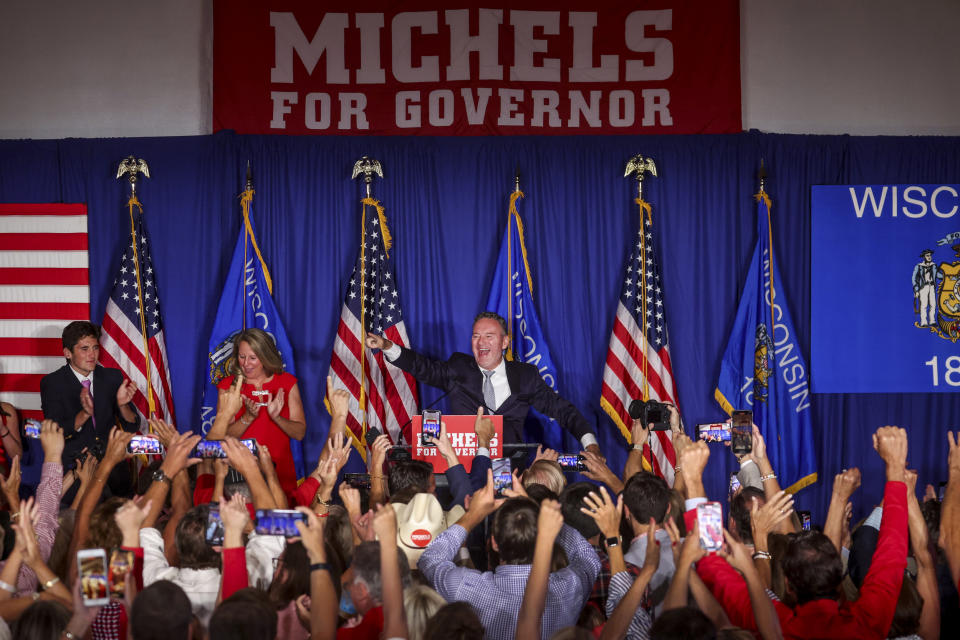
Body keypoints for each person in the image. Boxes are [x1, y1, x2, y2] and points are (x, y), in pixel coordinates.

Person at [365, 311, 601, 454]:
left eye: (489, 336)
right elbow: (422, 367)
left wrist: (589, 443)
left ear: (505, 342)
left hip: (510, 471)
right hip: (465, 471)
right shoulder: (458, 368)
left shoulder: (525, 375)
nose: (481, 342)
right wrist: (388, 346)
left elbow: (562, 410)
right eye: (476, 336)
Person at [208, 328, 306, 501]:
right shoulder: (228, 386)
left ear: (266, 356)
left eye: (253, 358)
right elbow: (221, 438)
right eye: (241, 356)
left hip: (280, 471)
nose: (246, 364)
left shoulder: (287, 382)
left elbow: (299, 433)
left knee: (277, 524)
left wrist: (276, 417)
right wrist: (247, 418)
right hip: (240, 474)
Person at [39, 321, 138, 475]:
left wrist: (123, 405)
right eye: (84, 349)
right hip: (75, 470)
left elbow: (132, 426)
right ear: (67, 353)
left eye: (95, 348)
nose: (92, 355)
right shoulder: (52, 383)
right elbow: (55, 432)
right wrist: (84, 414)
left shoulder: (112, 377)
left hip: (113, 470)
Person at [912, 249, 940, 327]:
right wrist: (916, 290)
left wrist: (947, 276)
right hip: (923, 287)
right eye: (927, 255)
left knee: (933, 304)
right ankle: (924, 322)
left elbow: (937, 275)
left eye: (930, 255)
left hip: (932, 287)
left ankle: (932, 321)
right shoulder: (919, 266)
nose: (929, 257)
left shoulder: (933, 265)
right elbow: (914, 278)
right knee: (924, 305)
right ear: (924, 257)